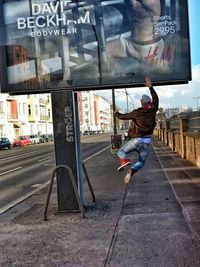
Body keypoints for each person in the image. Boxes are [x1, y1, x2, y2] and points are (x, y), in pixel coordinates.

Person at [114, 77, 159, 183]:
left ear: (142, 103)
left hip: (136, 140)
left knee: (121, 152)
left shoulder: (136, 113)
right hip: (147, 141)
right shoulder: (153, 109)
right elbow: (156, 99)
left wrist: (116, 113)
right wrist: (151, 87)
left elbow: (122, 116)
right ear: (149, 102)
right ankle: (132, 170)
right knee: (141, 161)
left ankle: (124, 161)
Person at [106, 0, 170, 74]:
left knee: (160, 77)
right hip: (131, 43)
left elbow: (134, 6)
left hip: (149, 48)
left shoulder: (146, 3)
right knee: (99, 52)